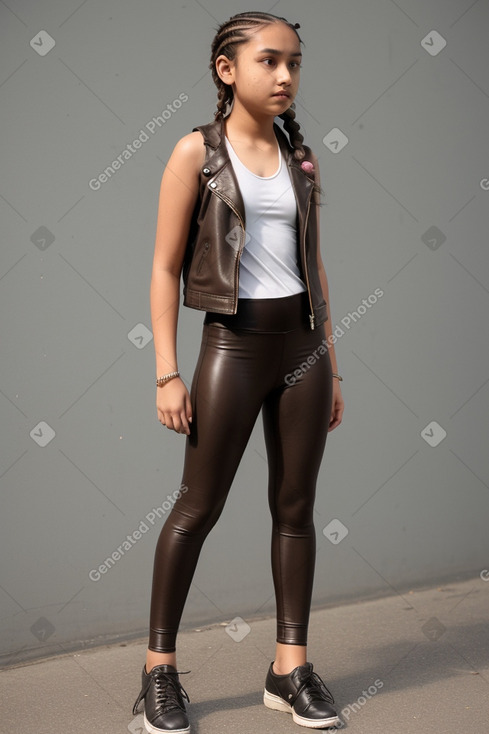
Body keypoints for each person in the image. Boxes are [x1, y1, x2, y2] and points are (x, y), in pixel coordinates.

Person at [132, 11, 345, 733]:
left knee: (295, 509)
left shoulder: (300, 157)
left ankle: (289, 669)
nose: (285, 76)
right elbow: (163, 269)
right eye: (268, 61)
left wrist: (332, 367)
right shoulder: (196, 152)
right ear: (228, 70)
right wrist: (166, 372)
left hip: (302, 350)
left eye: (294, 62)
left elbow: (312, 267)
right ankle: (157, 672)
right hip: (233, 344)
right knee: (198, 508)